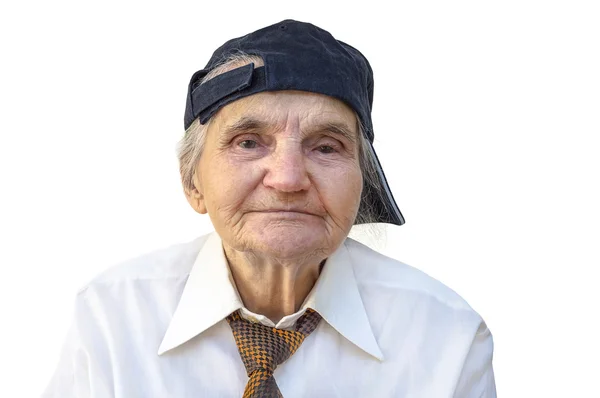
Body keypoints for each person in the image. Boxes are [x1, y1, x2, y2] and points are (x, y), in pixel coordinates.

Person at [43, 19, 496, 397]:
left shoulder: (447, 337)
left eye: (325, 147)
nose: (288, 178)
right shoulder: (110, 318)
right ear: (192, 182)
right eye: (248, 142)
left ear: (362, 185)